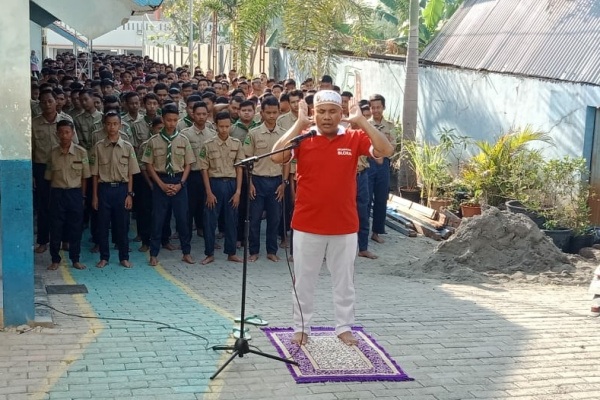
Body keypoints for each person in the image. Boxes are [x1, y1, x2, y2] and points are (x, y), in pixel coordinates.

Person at [271, 90, 394, 346]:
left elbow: (386, 149)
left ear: (342, 113)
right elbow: (276, 156)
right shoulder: (303, 139)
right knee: (304, 279)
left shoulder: (354, 137)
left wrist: (361, 121)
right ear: (313, 113)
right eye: (321, 111)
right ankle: (302, 327)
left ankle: (344, 327)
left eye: (332, 111)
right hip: (307, 224)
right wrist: (298, 124)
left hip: (344, 224)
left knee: (344, 280)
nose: (327, 117)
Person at [141, 104, 196, 266]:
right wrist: (161, 185)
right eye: (168, 120)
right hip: (161, 182)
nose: (171, 123)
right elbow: (149, 165)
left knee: (182, 220)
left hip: (179, 182)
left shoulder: (183, 140)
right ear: (163, 119)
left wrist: (181, 184)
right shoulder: (153, 141)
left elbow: (188, 165)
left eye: (174, 120)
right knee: (158, 219)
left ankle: (186, 252)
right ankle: (154, 254)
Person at [90, 112, 140, 269]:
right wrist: (95, 196)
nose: (112, 127)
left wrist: (130, 195)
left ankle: (124, 257)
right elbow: (95, 174)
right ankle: (104, 257)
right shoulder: (98, 147)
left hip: (122, 190)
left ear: (120, 125)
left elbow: (131, 173)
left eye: (115, 124)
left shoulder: (127, 147)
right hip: (104, 189)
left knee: (122, 226)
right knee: (103, 225)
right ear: (104, 125)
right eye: (109, 124)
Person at [243, 96, 289, 262]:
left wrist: (284, 183)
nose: (271, 116)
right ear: (261, 113)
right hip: (257, 180)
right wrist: (250, 184)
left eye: (274, 112)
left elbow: (286, 162)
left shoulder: (284, 135)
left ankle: (271, 251)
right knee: (254, 218)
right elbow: (247, 161)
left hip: (276, 181)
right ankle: (253, 251)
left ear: (278, 112)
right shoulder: (253, 133)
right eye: (268, 112)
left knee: (275, 218)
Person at [198, 111, 244, 265]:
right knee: (210, 220)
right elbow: (204, 169)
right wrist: (208, 192)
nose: (224, 129)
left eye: (227, 126)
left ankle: (231, 252)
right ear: (216, 126)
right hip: (214, 184)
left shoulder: (236, 144)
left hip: (231, 184)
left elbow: (239, 169)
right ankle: (209, 253)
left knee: (232, 220)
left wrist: (238, 191)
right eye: (221, 126)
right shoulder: (208, 145)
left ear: (231, 126)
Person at [45, 120, 91, 271]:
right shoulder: (52, 153)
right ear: (57, 134)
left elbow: (85, 177)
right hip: (57, 193)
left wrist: (83, 197)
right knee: (56, 227)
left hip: (75, 194)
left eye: (67, 132)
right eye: (61, 132)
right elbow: (49, 177)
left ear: (73, 134)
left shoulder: (81, 152)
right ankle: (55, 259)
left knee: (75, 228)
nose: (64, 136)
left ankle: (75, 259)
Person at [180, 101, 216, 238]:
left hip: (209, 175)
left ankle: (208, 235)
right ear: (193, 115)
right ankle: (186, 237)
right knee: (189, 207)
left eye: (204, 114)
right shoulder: (185, 134)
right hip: (192, 175)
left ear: (208, 115)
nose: (201, 117)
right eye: (198, 114)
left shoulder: (213, 134)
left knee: (208, 207)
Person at [368, 94, 397, 244]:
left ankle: (377, 231)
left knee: (381, 198)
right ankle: (362, 232)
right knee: (365, 199)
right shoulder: (366, 124)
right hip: (368, 163)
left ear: (383, 107)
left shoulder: (390, 126)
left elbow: (393, 146)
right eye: (373, 107)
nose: (376, 110)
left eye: (378, 107)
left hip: (383, 165)